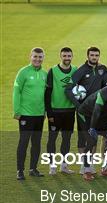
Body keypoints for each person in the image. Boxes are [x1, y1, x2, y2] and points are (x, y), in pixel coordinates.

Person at [65, 46, 107, 174]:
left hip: (97, 110)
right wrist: (78, 106)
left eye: (96, 55)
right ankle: (83, 165)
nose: (94, 57)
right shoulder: (81, 70)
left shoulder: (103, 69)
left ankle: (91, 164)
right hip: (83, 111)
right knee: (83, 137)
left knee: (93, 136)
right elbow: (68, 89)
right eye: (92, 55)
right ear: (88, 56)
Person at [77, 75, 107, 180]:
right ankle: (85, 169)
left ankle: (105, 168)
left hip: (102, 116)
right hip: (86, 114)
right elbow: (96, 111)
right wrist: (92, 128)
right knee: (91, 141)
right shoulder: (103, 93)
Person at [13, 47, 47, 180]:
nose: (37, 59)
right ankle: (20, 170)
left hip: (39, 115)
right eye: (35, 57)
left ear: (43, 58)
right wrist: (17, 111)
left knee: (37, 142)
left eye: (40, 57)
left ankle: (33, 168)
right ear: (30, 57)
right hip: (26, 114)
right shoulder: (23, 72)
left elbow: (45, 95)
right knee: (24, 142)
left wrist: (44, 111)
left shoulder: (44, 74)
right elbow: (16, 91)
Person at [45, 47, 77, 175]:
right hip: (55, 112)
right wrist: (49, 112)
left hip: (70, 111)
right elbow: (47, 93)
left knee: (66, 138)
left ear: (72, 56)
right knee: (52, 139)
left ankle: (64, 165)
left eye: (69, 56)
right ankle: (52, 165)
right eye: (64, 56)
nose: (67, 58)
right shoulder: (52, 71)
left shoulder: (75, 70)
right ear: (60, 56)